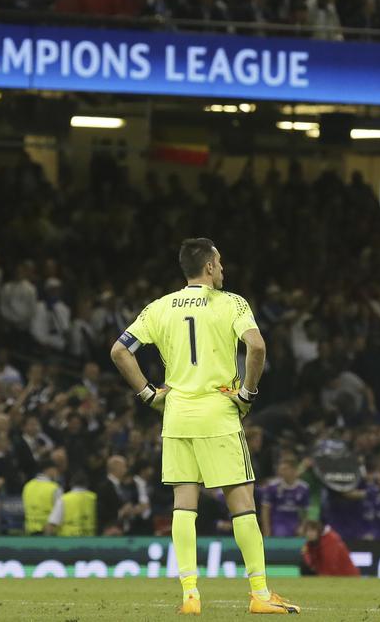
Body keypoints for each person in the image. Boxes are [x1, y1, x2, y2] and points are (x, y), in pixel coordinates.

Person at [109, 237, 299, 615]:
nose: (223, 269)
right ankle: (260, 595)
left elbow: (119, 351)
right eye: (221, 263)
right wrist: (247, 393)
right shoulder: (232, 303)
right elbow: (257, 348)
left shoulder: (159, 307)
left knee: (184, 502)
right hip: (218, 412)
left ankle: (189, 594)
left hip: (176, 412)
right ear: (210, 267)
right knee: (242, 502)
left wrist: (148, 394)